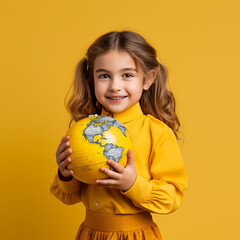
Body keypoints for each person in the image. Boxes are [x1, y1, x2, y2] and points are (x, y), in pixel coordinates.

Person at [50, 31, 187, 240]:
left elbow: (172, 198)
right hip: (91, 234)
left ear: (147, 79)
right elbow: (68, 197)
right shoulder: (85, 132)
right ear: (91, 79)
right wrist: (65, 174)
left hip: (136, 236)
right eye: (104, 75)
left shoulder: (157, 133)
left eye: (127, 75)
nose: (115, 86)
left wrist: (132, 184)